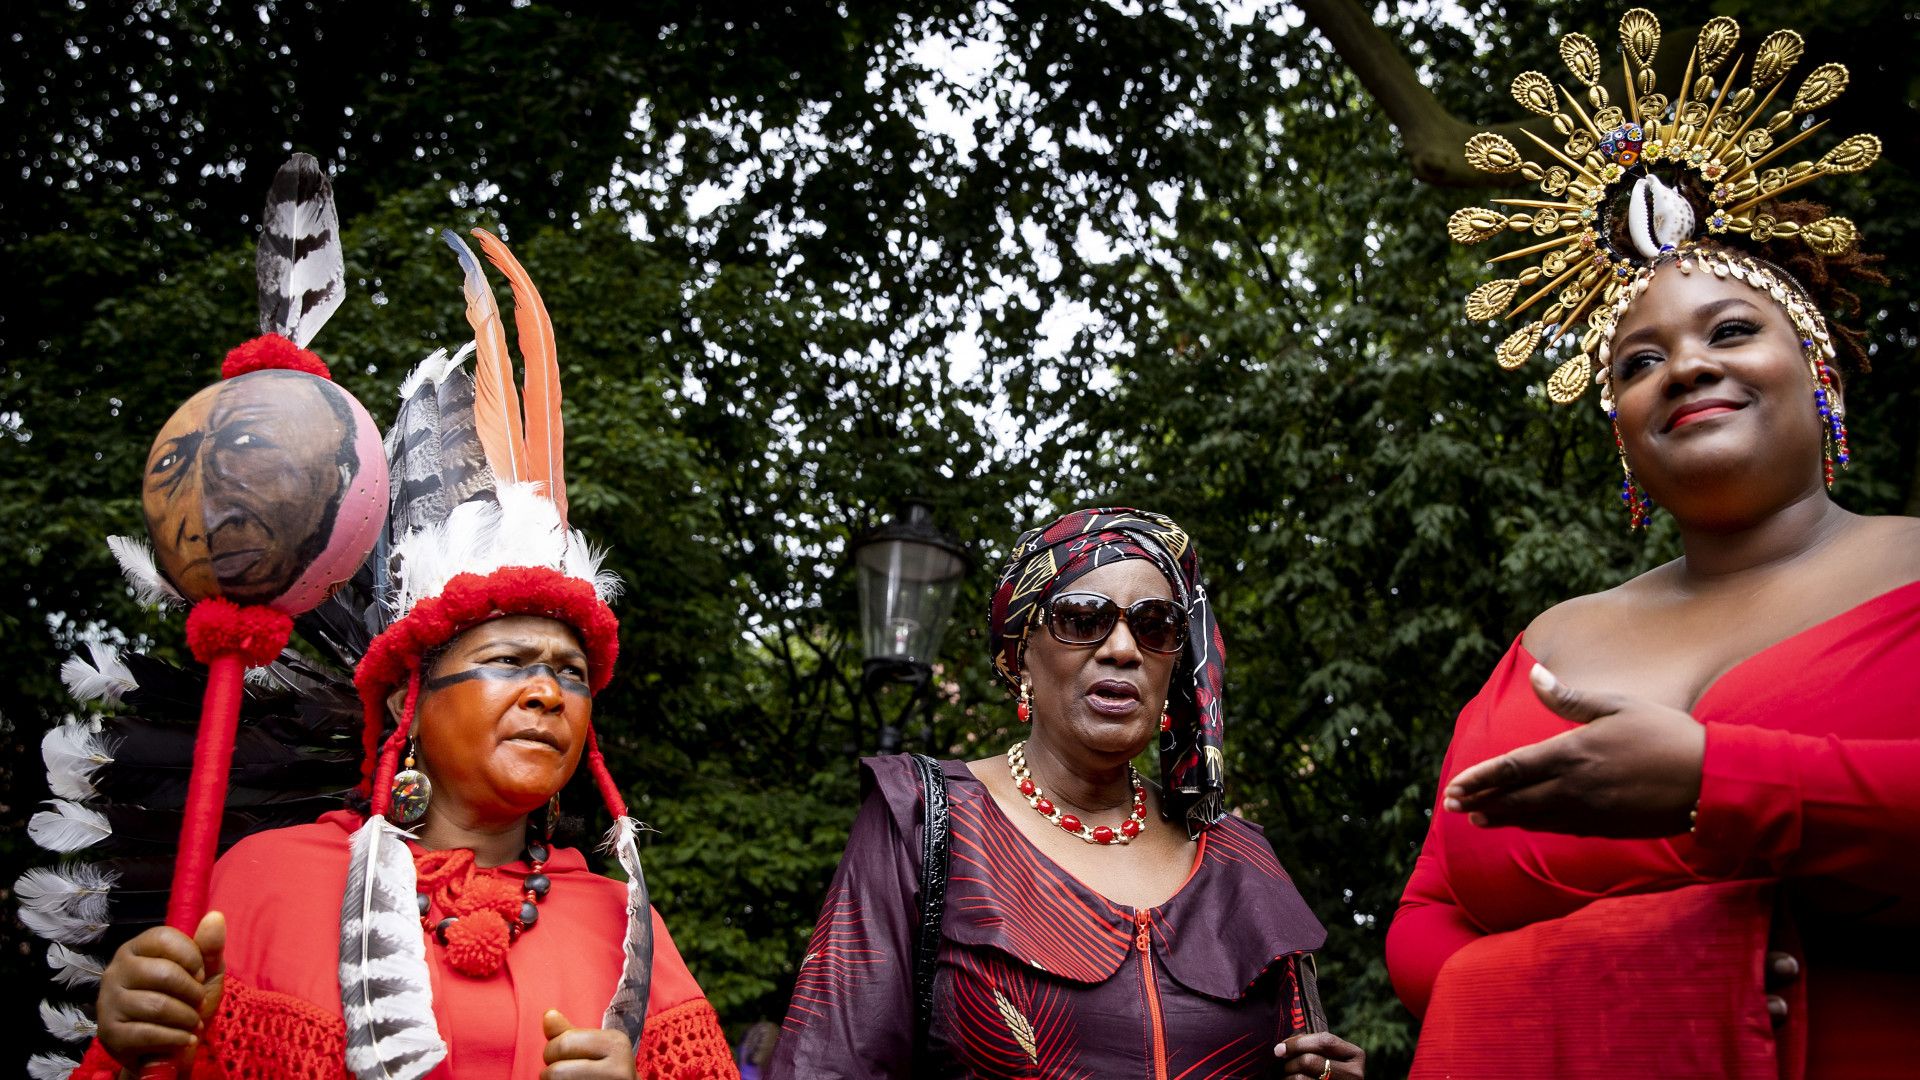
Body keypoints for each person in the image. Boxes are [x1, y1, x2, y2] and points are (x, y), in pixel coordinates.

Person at [49, 224, 735, 1078]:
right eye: (511, 662)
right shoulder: (268, 881)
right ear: (415, 702)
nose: (550, 694)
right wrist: (130, 1047)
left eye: (570, 674)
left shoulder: (619, 922)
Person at [1389, 11, 1917, 1078]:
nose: (1683, 367)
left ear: (1823, 375)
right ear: (1623, 432)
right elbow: (1427, 916)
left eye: (1730, 331)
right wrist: (1625, 974)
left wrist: (1720, 780)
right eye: (1638, 363)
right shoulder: (1540, 646)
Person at [771, 508, 1365, 1079]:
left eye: (1155, 625)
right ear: (1020, 653)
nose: (1123, 649)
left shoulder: (1238, 857)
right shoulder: (926, 820)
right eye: (1082, 619)